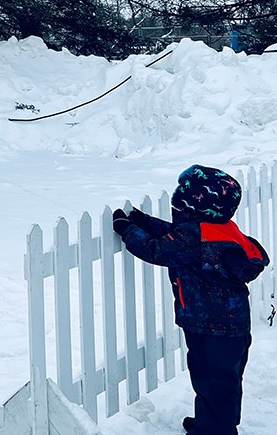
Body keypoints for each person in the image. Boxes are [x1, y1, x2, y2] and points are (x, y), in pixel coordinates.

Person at [113, 164, 270, 435]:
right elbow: (174, 235)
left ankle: (214, 431)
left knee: (210, 381)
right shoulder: (218, 230)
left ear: (194, 203)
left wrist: (128, 230)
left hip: (209, 328)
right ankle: (217, 425)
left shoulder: (194, 238)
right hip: (233, 327)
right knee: (225, 383)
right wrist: (144, 221)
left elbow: (158, 249)